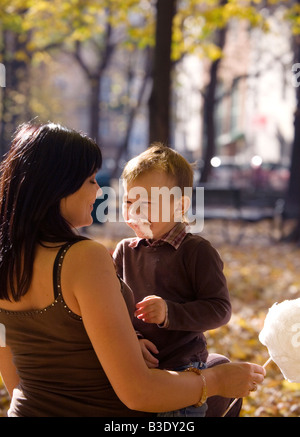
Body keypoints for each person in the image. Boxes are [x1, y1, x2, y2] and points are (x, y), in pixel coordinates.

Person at [0, 122, 265, 417]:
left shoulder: (6, 259)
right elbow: (138, 393)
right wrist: (217, 381)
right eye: (90, 180)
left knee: (212, 362)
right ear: (58, 186)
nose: (98, 190)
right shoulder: (84, 258)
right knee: (220, 373)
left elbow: (15, 382)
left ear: (180, 206)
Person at [113, 144, 237, 416]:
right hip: (135, 362)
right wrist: (132, 338)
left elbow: (219, 309)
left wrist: (171, 312)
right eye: (129, 202)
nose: (135, 212)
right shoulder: (124, 251)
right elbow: (111, 308)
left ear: (179, 205)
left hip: (183, 366)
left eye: (146, 203)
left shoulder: (196, 252)